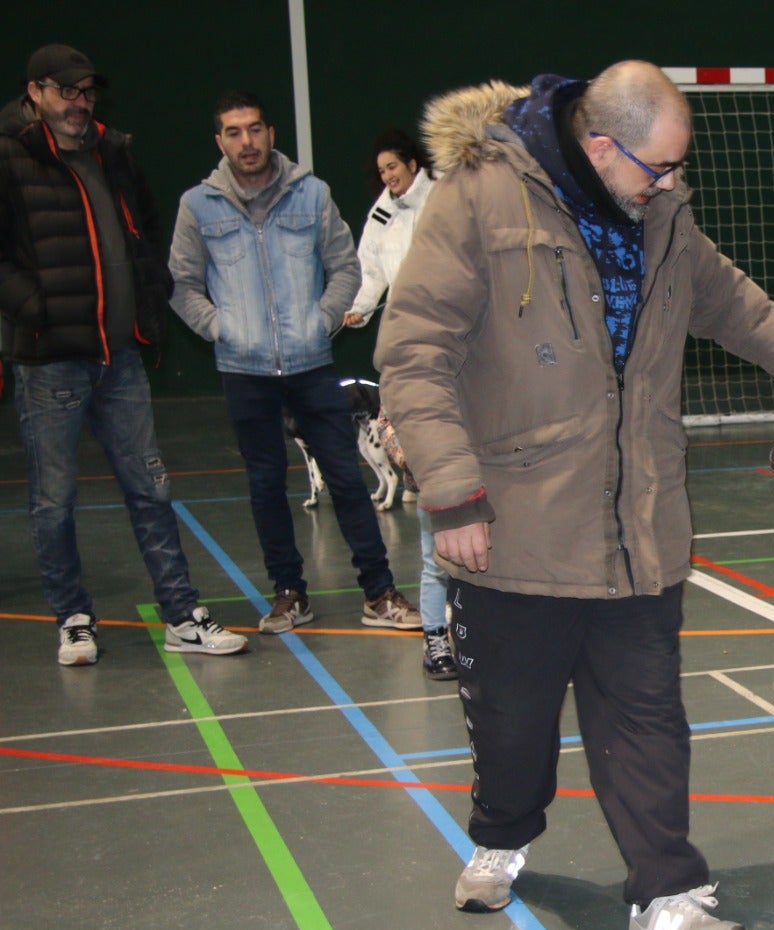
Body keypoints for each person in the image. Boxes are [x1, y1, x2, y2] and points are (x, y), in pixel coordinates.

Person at [375, 60, 774, 930]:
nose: (672, 184)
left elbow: (729, 299)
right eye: (658, 167)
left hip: (640, 526)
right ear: (600, 146)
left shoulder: (662, 216)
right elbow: (412, 355)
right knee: (515, 731)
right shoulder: (478, 198)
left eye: (678, 169)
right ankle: (501, 833)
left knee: (647, 719)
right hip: (514, 526)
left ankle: (666, 900)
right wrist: (452, 494)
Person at [0, 44, 247, 665]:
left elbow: (145, 227)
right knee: (53, 500)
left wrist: (146, 301)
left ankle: (181, 613)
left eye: (87, 93)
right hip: (49, 359)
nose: (80, 104)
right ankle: (74, 618)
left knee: (152, 489)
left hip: (121, 357)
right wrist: (34, 307)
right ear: (36, 92)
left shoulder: (115, 153)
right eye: (67, 92)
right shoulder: (9, 157)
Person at [169, 91, 421, 634]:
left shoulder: (312, 195)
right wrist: (221, 329)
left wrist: (320, 321)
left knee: (348, 481)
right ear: (220, 142)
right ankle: (289, 594)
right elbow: (182, 285)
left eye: (255, 129)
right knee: (265, 486)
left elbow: (345, 270)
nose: (247, 141)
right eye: (234, 132)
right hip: (243, 372)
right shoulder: (199, 206)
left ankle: (379, 593)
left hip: (310, 366)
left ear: (271, 133)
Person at [341, 128, 452, 679]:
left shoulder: (446, 198)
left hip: (458, 359)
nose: (387, 177)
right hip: (411, 366)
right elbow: (370, 270)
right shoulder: (382, 214)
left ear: (413, 162)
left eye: (393, 166)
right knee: (438, 525)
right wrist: (360, 308)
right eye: (380, 169)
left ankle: (476, 632)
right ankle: (437, 636)